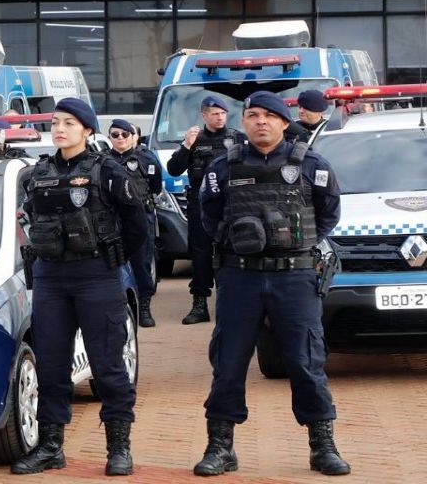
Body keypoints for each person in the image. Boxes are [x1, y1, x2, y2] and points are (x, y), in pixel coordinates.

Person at [193, 90, 349, 477]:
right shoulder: (222, 167)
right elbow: (208, 217)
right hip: (239, 276)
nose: (260, 121)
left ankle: (322, 445)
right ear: (243, 122)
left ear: (283, 121)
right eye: (253, 115)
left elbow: (328, 214)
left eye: (269, 115)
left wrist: (294, 245)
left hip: (294, 277)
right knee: (228, 363)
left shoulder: (310, 163)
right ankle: (220, 447)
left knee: (305, 361)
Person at [12, 99, 147, 477]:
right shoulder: (36, 173)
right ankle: (51, 447)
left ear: (87, 130)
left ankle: (119, 447)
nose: (59, 129)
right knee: (52, 366)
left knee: (108, 366)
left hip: (97, 277)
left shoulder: (109, 171)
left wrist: (111, 257)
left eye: (69, 123)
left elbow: (137, 225)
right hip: (51, 278)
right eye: (55, 122)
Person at [165, 96, 244, 325]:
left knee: (231, 251)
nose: (219, 118)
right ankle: (199, 304)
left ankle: (230, 305)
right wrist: (186, 146)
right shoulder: (194, 139)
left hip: (230, 203)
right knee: (200, 253)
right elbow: (174, 169)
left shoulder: (237, 138)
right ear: (204, 115)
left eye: (222, 114)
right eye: (214, 114)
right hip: (201, 202)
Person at [106, 119, 162, 328]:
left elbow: (156, 186)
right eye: (115, 135)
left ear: (133, 136)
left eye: (124, 134)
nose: (120, 138)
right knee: (114, 264)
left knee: (141, 263)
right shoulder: (102, 161)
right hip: (113, 220)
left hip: (139, 219)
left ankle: (144, 307)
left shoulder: (146, 159)